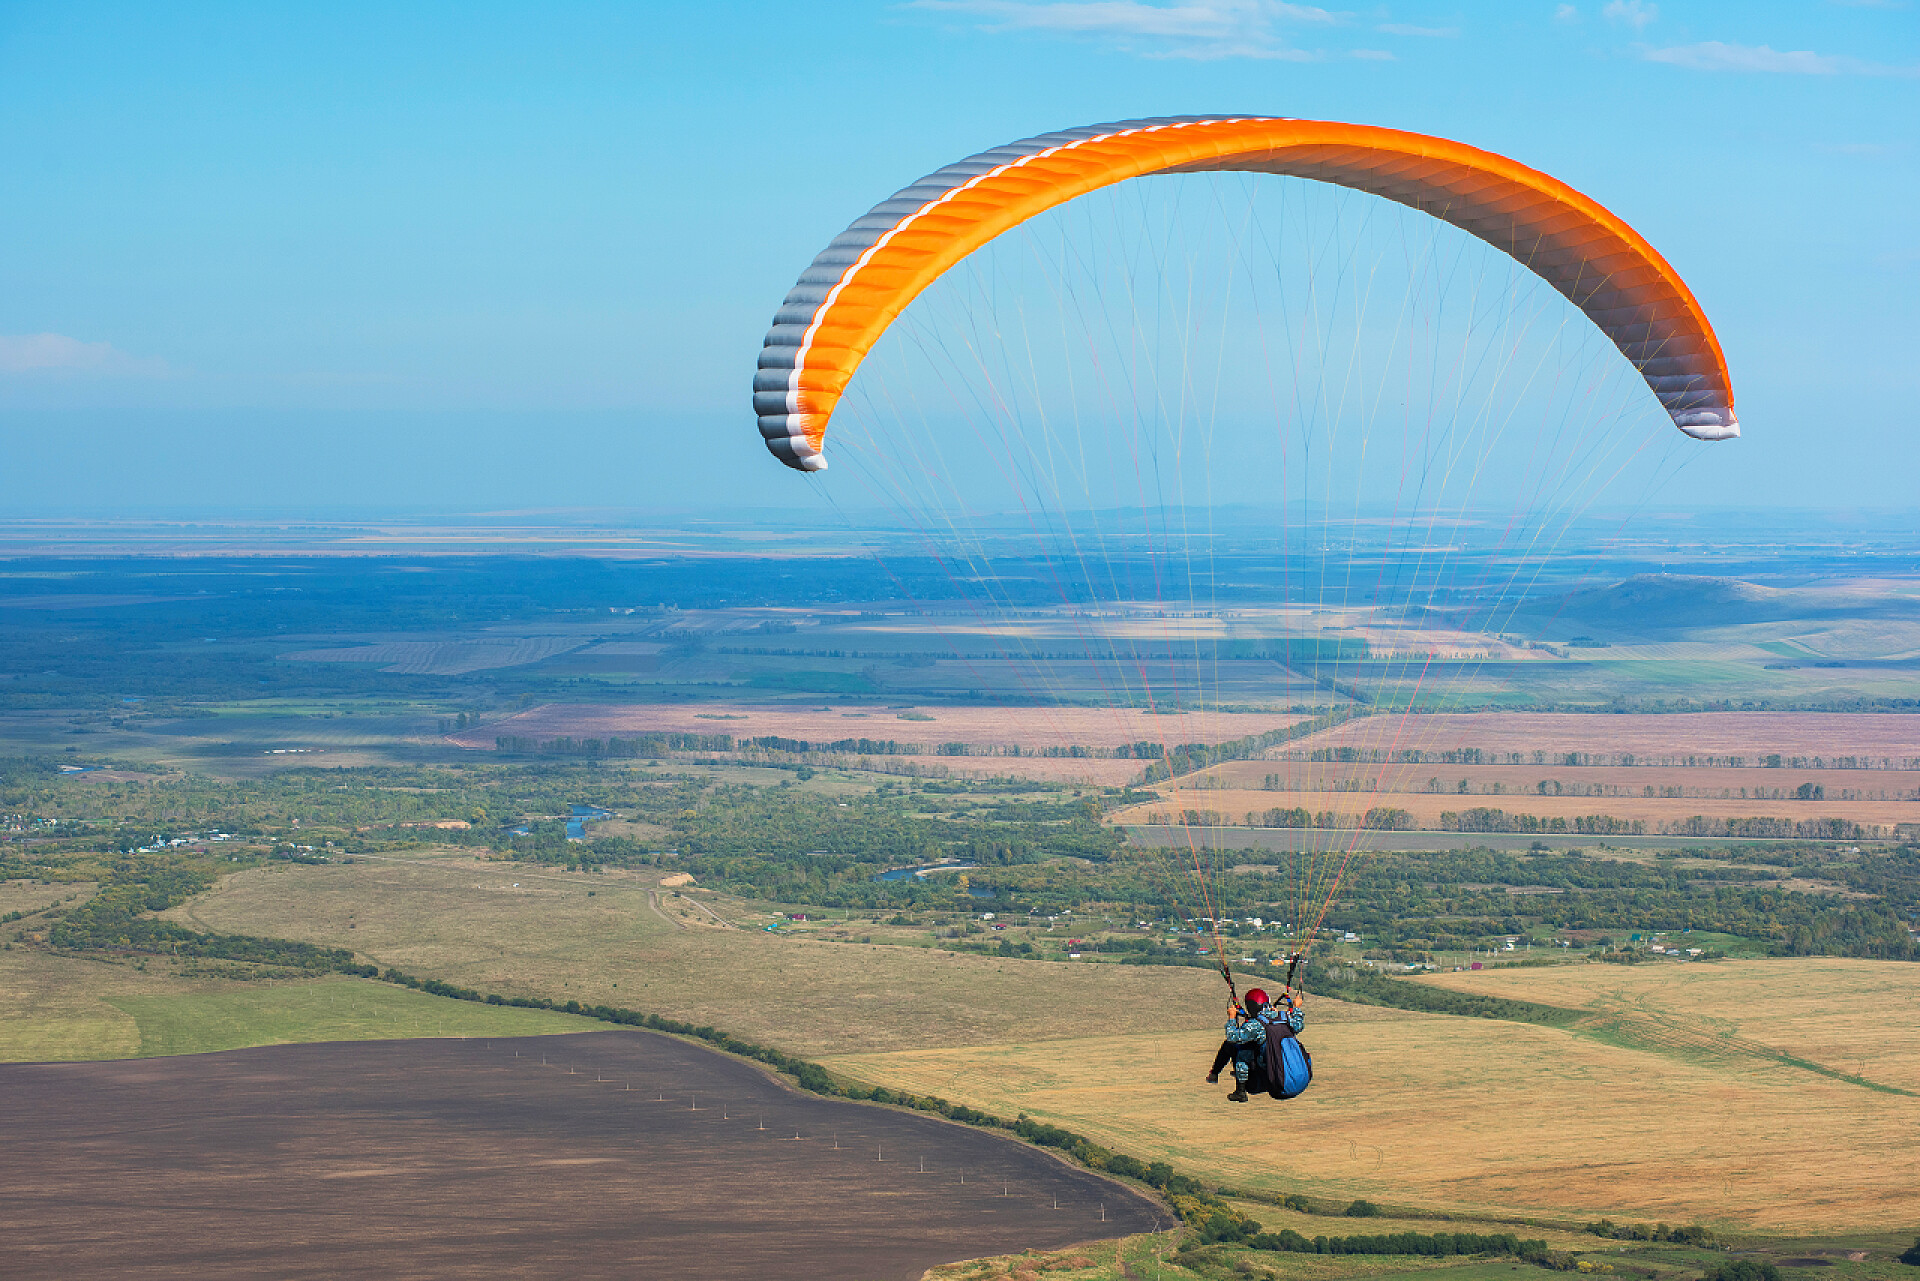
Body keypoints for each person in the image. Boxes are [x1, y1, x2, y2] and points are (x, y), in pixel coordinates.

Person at [1207, 988, 1270, 1103]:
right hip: (1272, 1061)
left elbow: (1232, 1037)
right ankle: (1216, 1075)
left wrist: (1231, 1018)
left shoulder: (1255, 1025)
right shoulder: (1278, 1017)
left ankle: (1239, 1090)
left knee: (1233, 1047)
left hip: (1259, 1065)